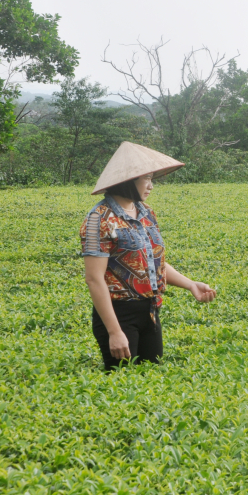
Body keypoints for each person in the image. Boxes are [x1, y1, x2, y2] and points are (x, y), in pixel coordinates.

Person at [80, 142, 217, 370]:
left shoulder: (146, 212)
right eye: (147, 179)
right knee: (122, 386)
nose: (151, 186)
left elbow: (153, 262)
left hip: (151, 311)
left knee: (152, 377)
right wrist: (115, 332)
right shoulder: (99, 219)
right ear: (128, 180)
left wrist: (190, 284)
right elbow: (94, 279)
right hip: (118, 314)